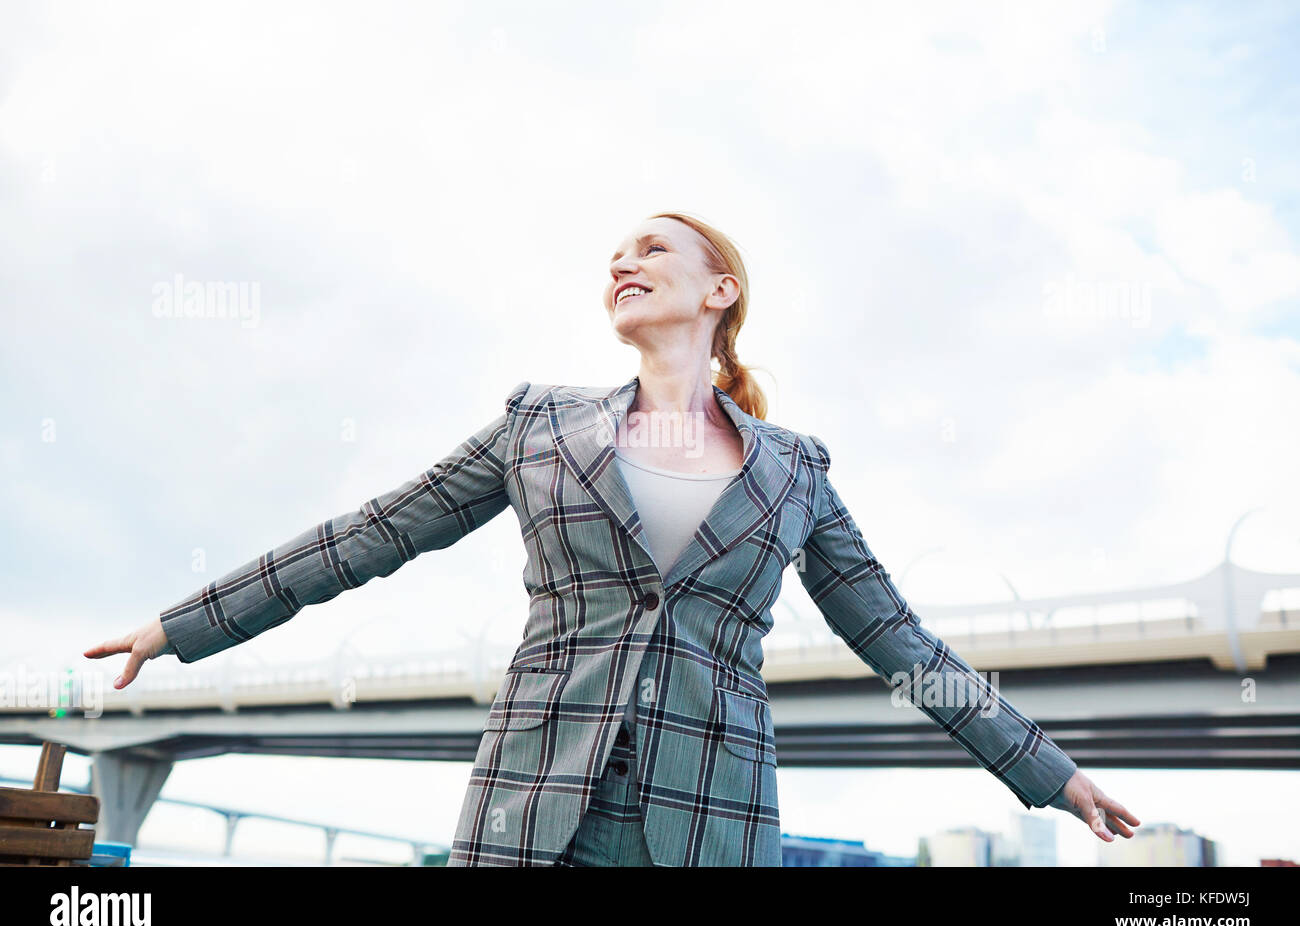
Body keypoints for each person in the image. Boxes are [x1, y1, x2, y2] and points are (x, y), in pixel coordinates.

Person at [85, 211, 1140, 866]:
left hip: (713, 811)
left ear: (718, 290)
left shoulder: (796, 468)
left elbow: (903, 645)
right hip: (533, 795)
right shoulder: (536, 422)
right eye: (612, 258)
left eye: (651, 250)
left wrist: (1051, 771)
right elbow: (369, 535)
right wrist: (178, 626)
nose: (623, 265)